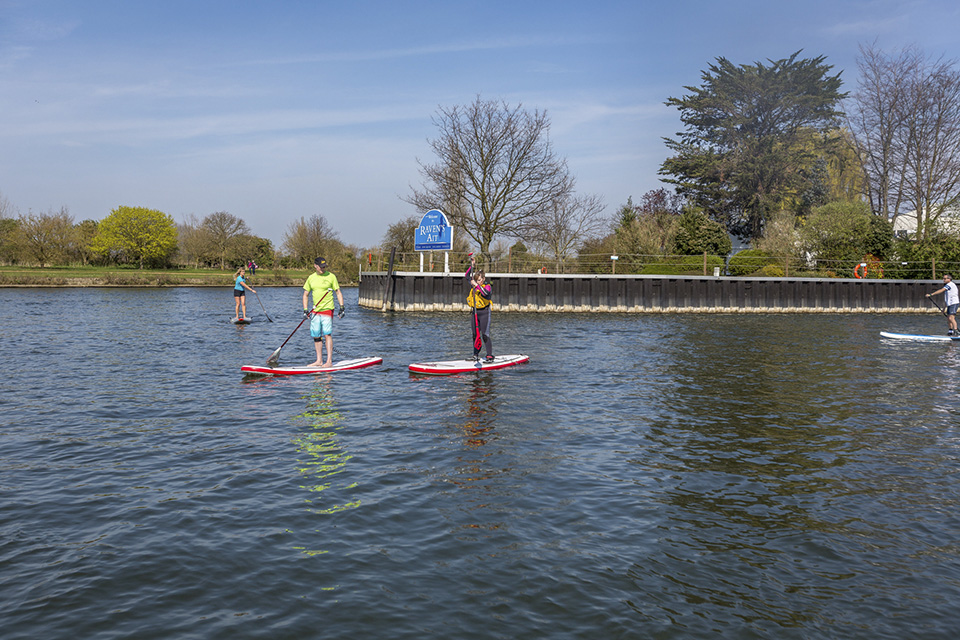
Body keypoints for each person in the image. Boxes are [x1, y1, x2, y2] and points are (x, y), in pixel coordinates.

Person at [302, 257, 345, 367]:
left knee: (327, 334)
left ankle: (329, 361)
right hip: (315, 311)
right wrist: (305, 309)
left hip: (327, 309)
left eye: (324, 266)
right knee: (316, 335)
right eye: (321, 266)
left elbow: (338, 292)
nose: (323, 268)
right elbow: (305, 295)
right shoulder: (311, 278)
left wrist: (342, 307)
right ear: (315, 266)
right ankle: (319, 361)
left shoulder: (331, 277)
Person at [465, 254, 494, 361]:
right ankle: (475, 355)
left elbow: (485, 293)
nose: (478, 281)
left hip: (485, 313)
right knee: (475, 335)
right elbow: (467, 276)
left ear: (483, 279)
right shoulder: (474, 285)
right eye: (477, 280)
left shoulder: (487, 286)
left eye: (480, 279)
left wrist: (476, 285)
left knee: (485, 334)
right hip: (475, 313)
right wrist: (472, 266)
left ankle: (489, 355)